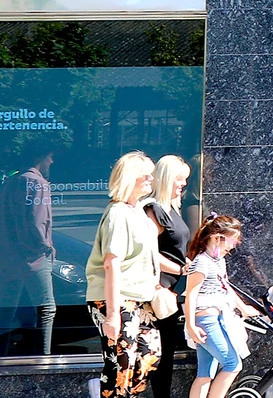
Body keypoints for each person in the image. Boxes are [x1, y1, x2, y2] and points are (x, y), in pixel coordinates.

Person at [88, 152, 163, 398]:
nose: (152, 179)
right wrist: (111, 314)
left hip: (140, 299)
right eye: (147, 175)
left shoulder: (137, 211)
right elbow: (111, 263)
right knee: (121, 364)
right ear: (131, 178)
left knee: (149, 356)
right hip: (118, 299)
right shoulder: (118, 213)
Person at [182, 214, 260, 398]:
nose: (233, 246)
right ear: (217, 238)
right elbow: (191, 294)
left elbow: (226, 288)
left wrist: (243, 308)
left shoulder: (217, 262)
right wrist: (191, 326)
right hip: (206, 322)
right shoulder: (201, 263)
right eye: (232, 241)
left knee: (205, 373)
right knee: (233, 364)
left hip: (212, 319)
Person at [0, 139, 58, 356]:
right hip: (33, 256)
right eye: (49, 156)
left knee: (6, 310)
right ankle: (44, 359)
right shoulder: (38, 184)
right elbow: (37, 221)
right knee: (46, 308)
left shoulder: (12, 182)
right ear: (40, 157)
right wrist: (45, 246)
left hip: (9, 254)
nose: (52, 160)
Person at [145, 156, 193, 398]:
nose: (183, 184)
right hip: (159, 292)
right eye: (180, 179)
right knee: (159, 354)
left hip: (170, 290)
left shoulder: (171, 208)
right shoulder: (153, 209)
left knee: (165, 353)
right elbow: (150, 252)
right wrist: (182, 269)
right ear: (167, 178)